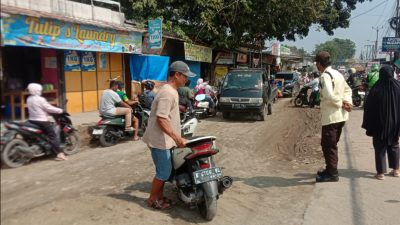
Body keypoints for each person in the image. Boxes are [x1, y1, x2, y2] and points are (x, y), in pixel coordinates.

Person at [142, 61, 196, 210]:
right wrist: (177, 138)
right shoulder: (168, 92)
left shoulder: (171, 91)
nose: (186, 80)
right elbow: (161, 119)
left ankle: (159, 197)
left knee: (164, 171)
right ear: (177, 75)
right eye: (185, 76)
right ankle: (152, 199)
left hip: (164, 139)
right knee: (163, 173)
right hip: (160, 140)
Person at [315, 51, 353, 182]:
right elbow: (348, 90)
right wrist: (347, 102)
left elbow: (329, 95)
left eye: (316, 63)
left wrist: (342, 103)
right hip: (341, 117)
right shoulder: (338, 73)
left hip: (331, 117)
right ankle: (330, 169)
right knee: (330, 144)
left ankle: (332, 173)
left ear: (319, 64)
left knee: (329, 145)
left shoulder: (325, 76)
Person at [362, 65, 400, 180]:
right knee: (394, 145)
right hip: (395, 124)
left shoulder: (376, 88)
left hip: (379, 124)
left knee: (379, 146)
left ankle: (381, 173)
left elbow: (368, 107)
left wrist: (369, 123)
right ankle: (396, 170)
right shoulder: (398, 87)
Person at [26, 83, 67, 161]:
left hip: (32, 120)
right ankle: (59, 154)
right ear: (37, 90)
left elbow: (39, 108)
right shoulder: (40, 99)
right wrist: (60, 110)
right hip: (42, 121)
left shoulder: (29, 99)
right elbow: (48, 108)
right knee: (53, 136)